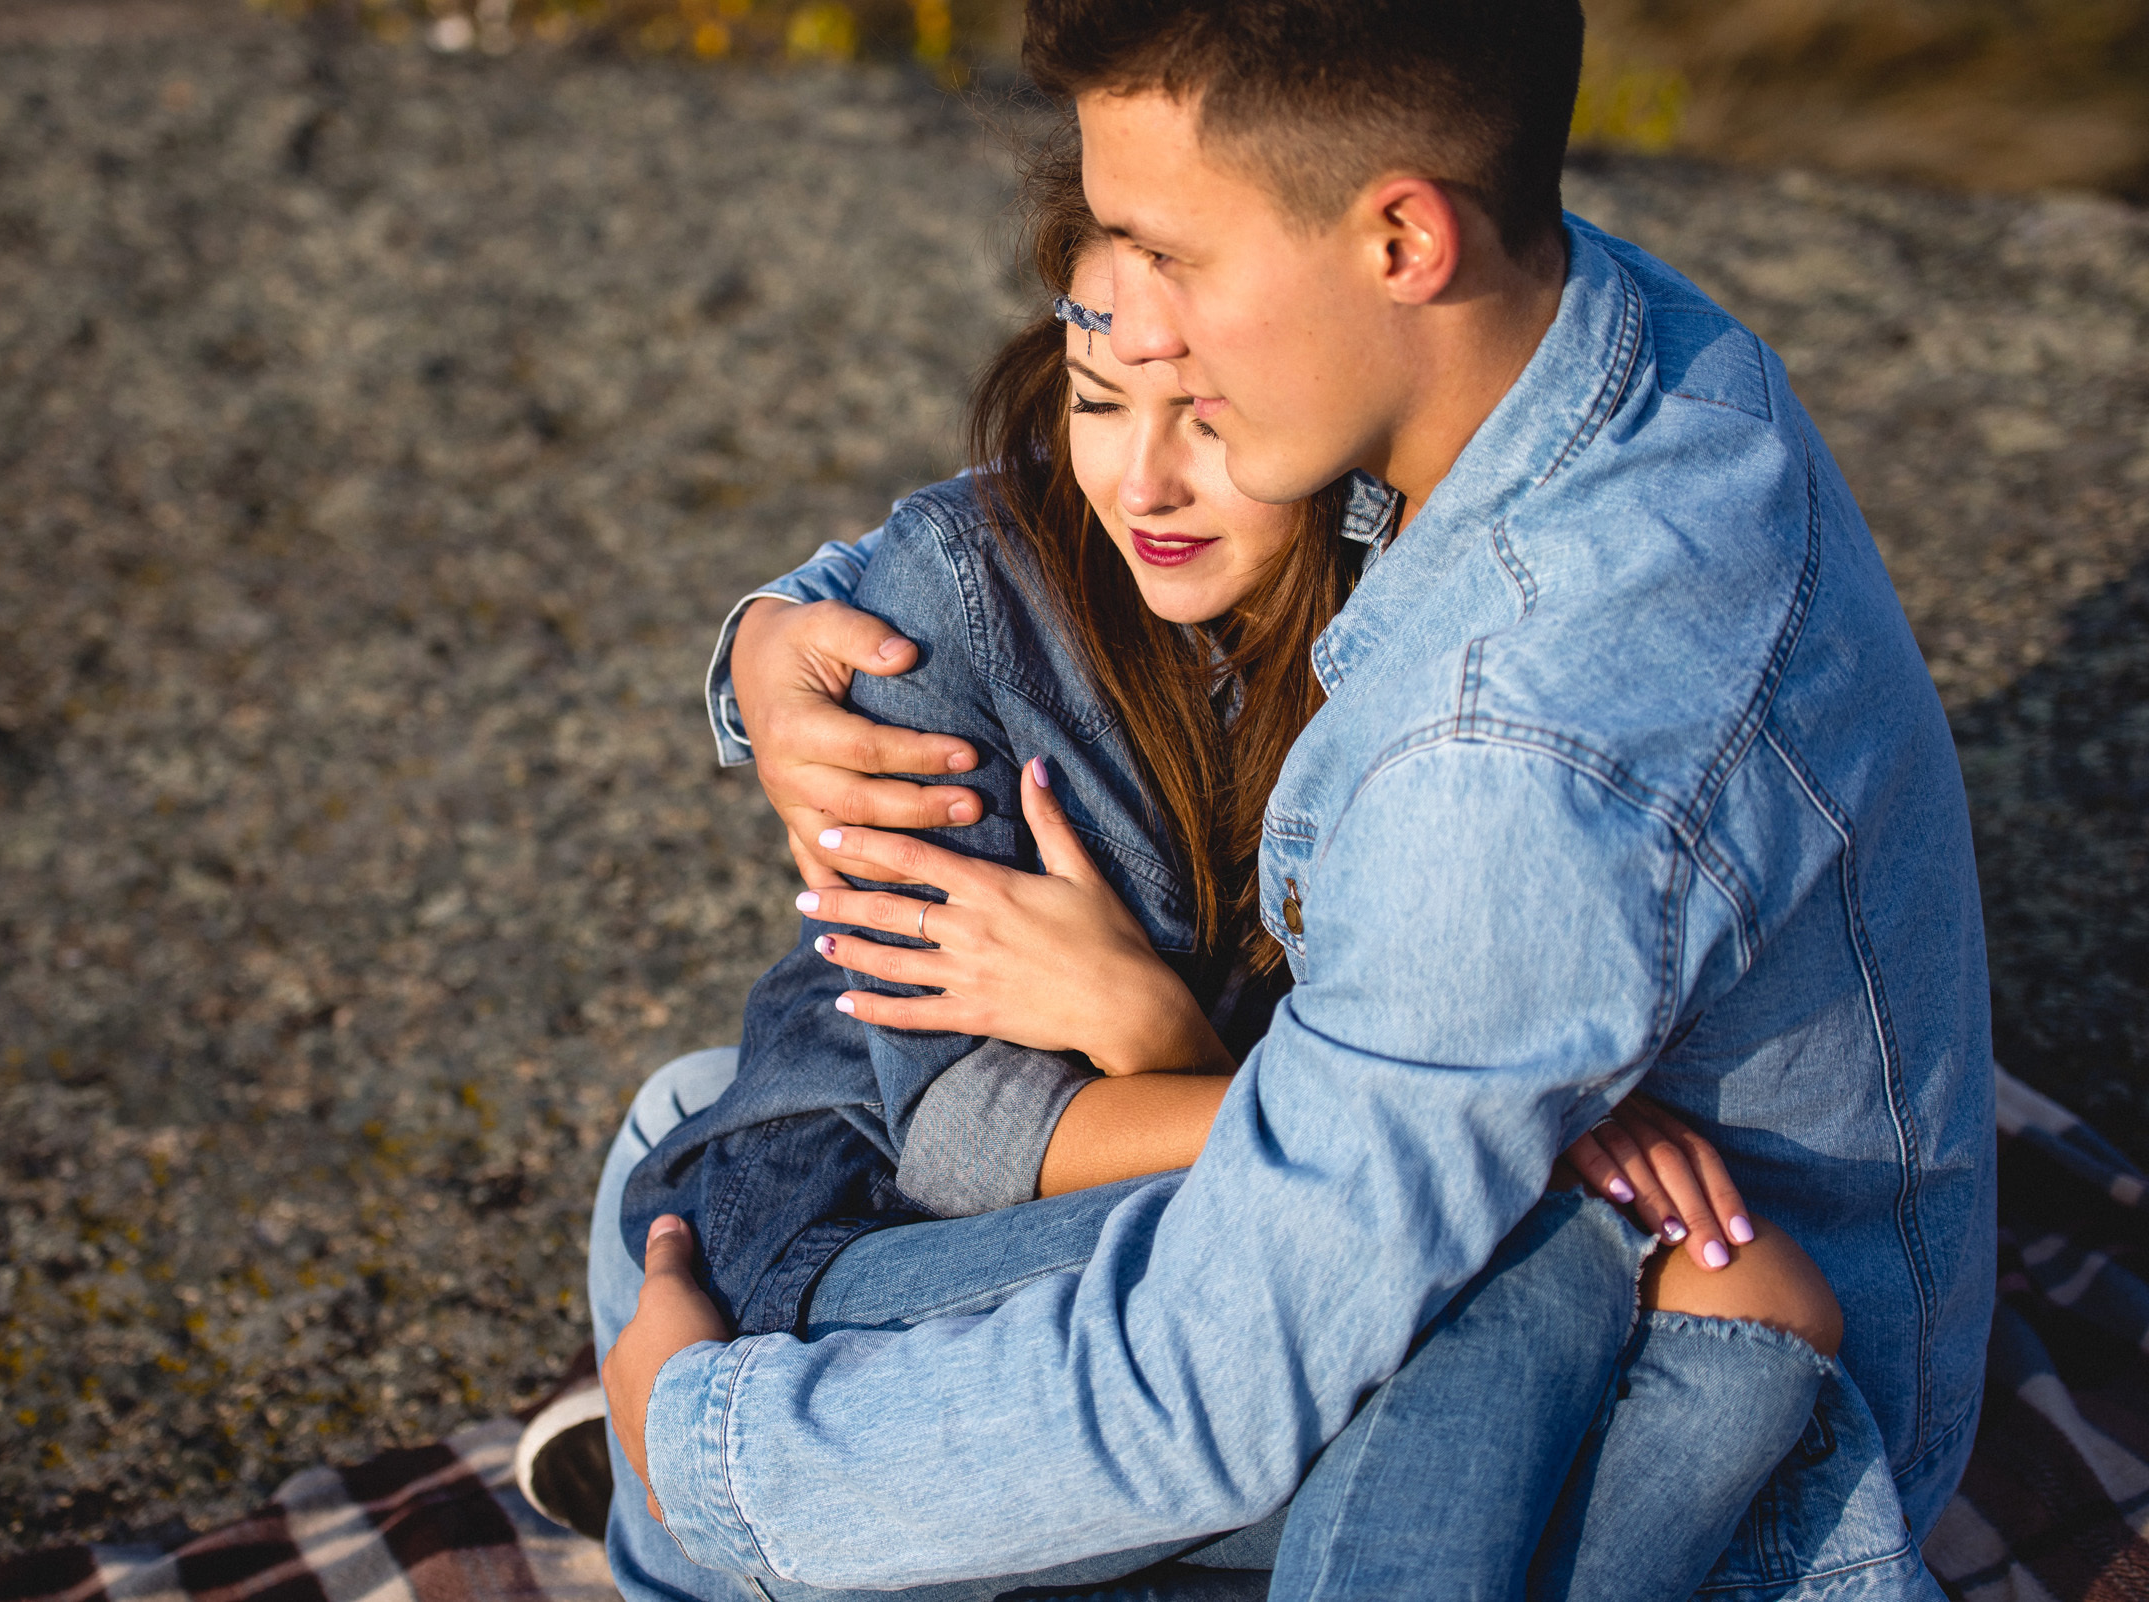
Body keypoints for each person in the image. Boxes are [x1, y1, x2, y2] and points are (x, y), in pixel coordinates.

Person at [605, 0, 1993, 1594]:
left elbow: (1203, 1391)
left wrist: (714, 1459)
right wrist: (779, 634)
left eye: (1169, 256)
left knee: (676, 1203)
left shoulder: (1514, 763)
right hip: (1660, 1261)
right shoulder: (1608, 342)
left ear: (1405, 236)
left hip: (1681, 1376)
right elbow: (992, 551)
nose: (1145, 330)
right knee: (710, 1129)